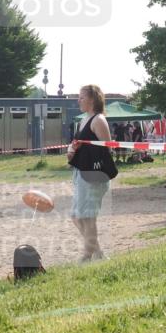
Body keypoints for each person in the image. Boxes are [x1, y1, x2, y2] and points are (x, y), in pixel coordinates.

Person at [67, 85, 114, 261]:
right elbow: (82, 145)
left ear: (92, 99)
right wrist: (73, 151)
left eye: (81, 97)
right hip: (81, 173)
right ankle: (98, 253)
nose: (78, 100)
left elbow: (107, 149)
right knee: (76, 216)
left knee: (87, 216)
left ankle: (87, 256)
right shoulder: (84, 120)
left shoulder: (98, 120)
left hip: (94, 175)